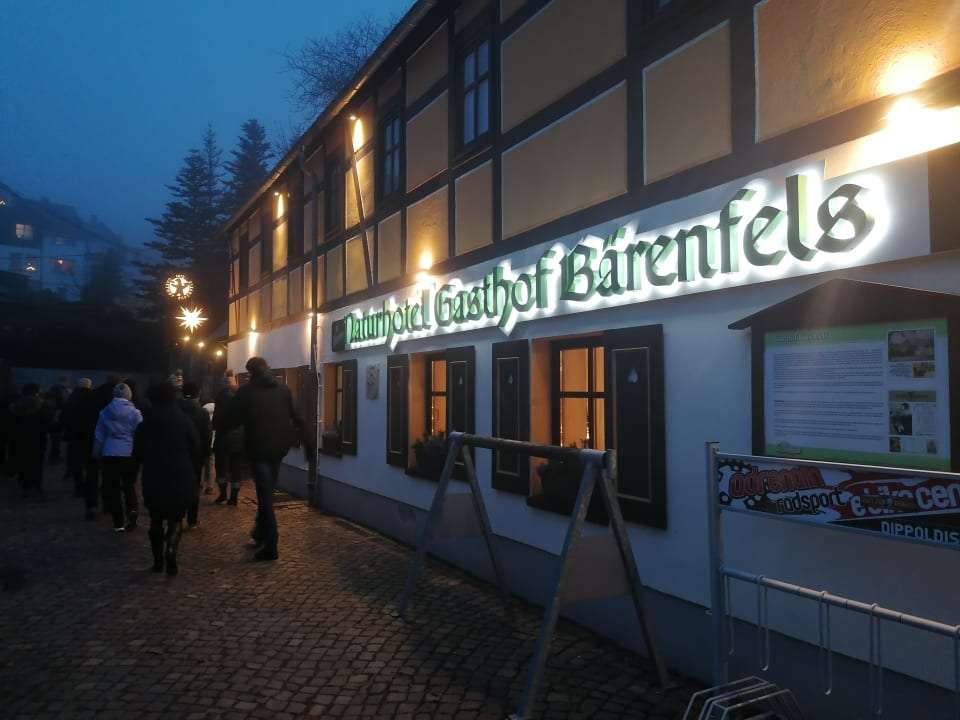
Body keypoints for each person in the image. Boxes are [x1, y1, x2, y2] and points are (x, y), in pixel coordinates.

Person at [223, 356, 311, 561]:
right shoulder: (284, 389)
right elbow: (299, 418)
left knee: (264, 496)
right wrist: (308, 445)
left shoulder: (247, 392)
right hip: (279, 449)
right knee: (267, 491)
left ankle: (271, 546)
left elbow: (231, 419)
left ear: (251, 372)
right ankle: (260, 531)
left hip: (258, 450)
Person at [134, 382, 201, 576]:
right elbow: (196, 448)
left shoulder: (146, 422)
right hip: (180, 475)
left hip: (154, 476)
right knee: (176, 519)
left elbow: (137, 451)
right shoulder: (184, 420)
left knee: (156, 519)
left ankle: (158, 561)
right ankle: (171, 550)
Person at [93, 383, 143, 532]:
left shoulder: (104, 412)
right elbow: (140, 433)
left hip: (110, 451)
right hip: (129, 452)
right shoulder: (135, 413)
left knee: (113, 488)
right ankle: (132, 509)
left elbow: (99, 435)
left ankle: (118, 522)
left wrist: (96, 453)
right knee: (129, 485)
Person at [60, 377, 100, 517]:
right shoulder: (95, 399)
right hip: (91, 439)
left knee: (76, 465)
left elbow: (64, 417)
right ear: (90, 386)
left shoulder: (72, 399)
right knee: (92, 471)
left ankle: (78, 488)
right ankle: (92, 501)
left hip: (74, 438)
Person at [178, 381, 212, 529]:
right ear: (198, 394)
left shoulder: (176, 409)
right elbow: (207, 436)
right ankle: (192, 519)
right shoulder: (202, 413)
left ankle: (178, 517)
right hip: (196, 456)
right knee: (194, 486)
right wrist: (205, 454)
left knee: (178, 485)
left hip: (178, 454)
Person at [9, 383, 52, 497]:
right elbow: (48, 420)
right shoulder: (43, 403)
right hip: (38, 436)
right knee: (37, 461)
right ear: (36, 391)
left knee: (24, 461)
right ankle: (37, 484)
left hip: (21, 436)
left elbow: (11, 421)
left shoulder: (17, 404)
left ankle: (25, 485)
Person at [212, 370, 245, 506]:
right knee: (236, 468)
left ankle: (223, 494)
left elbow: (217, 417)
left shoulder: (222, 395)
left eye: (228, 380)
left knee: (221, 467)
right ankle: (234, 497)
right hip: (238, 437)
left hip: (223, 436)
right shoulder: (242, 394)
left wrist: (215, 425)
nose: (228, 382)